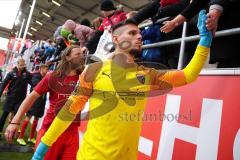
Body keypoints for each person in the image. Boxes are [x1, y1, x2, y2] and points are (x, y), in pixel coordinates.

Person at [11, 10, 211, 160]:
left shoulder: (147, 75)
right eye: (132, 34)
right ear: (116, 39)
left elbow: (188, 75)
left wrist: (204, 41)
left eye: (139, 33)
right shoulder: (94, 71)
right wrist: (42, 149)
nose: (139, 36)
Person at [5, 46, 86, 160]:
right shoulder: (53, 77)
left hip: (72, 133)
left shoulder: (85, 79)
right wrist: (15, 121)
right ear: (67, 57)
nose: (82, 56)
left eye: (83, 54)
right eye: (78, 54)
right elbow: (31, 97)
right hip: (50, 131)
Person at [17, 64, 49, 145]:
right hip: (34, 102)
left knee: (36, 119)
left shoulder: (44, 77)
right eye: (46, 69)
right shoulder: (36, 76)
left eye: (48, 69)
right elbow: (36, 85)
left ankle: (31, 137)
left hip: (40, 102)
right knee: (28, 118)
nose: (47, 70)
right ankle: (20, 137)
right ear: (41, 69)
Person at [0, 58, 31, 139]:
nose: (22, 66)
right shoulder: (11, 73)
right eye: (21, 65)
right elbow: (3, 84)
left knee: (17, 117)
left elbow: (33, 82)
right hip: (10, 98)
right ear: (17, 64)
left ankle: (13, 133)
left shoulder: (27, 74)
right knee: (4, 116)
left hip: (20, 100)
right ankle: (0, 131)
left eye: (23, 65)